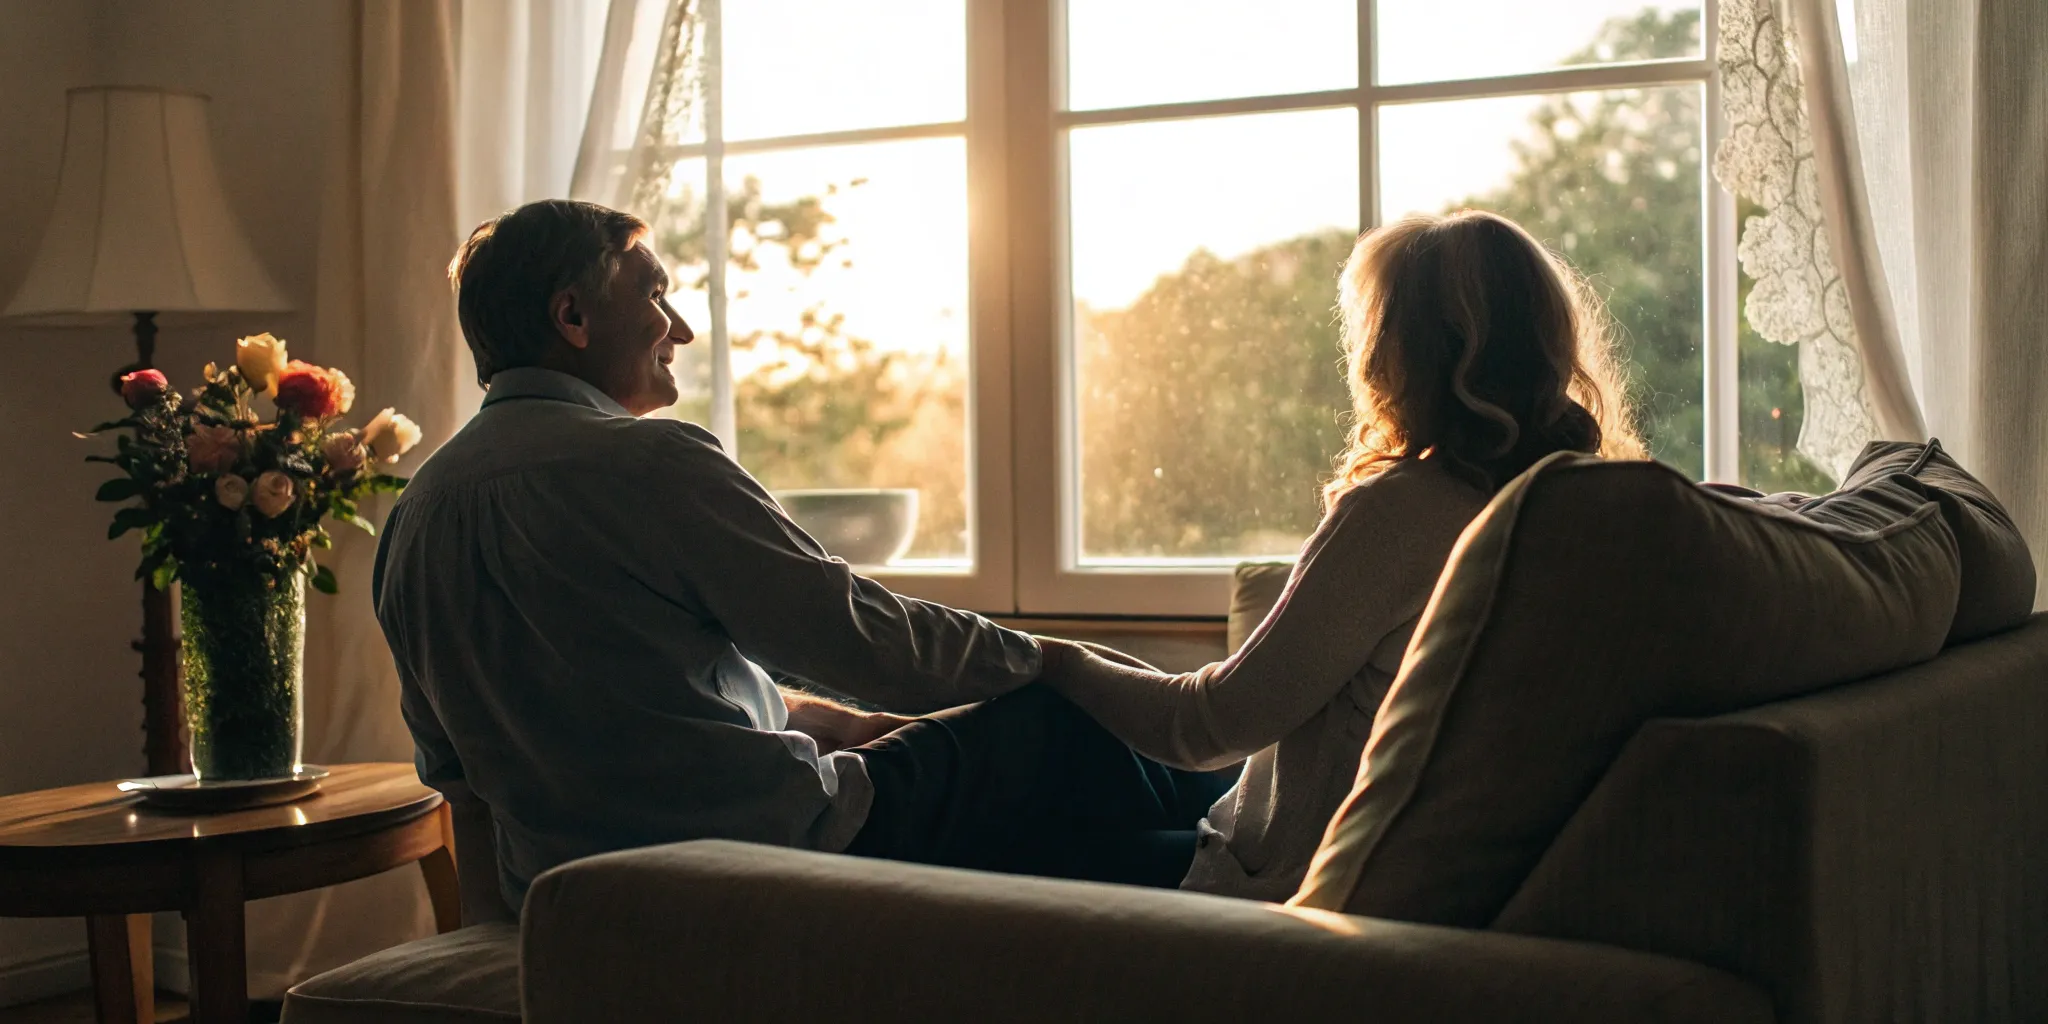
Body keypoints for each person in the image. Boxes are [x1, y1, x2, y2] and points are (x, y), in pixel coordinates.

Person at [374, 199, 1225, 911]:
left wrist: (511, 944)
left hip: (593, 898)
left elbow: (474, 766)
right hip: (777, 854)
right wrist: (1050, 659)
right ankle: (1277, 844)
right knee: (1057, 719)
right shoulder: (649, 463)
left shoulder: (413, 518)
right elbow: (861, 641)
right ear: (572, 317)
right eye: (657, 294)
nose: (684, 327)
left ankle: (1215, 871)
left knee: (1111, 841)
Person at [1036, 210, 1644, 902]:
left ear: (1406, 350)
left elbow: (1213, 726)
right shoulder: (1587, 507)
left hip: (1290, 882)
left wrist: (1054, 658)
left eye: (1375, 329)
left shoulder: (1405, 509)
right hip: (1426, 876)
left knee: (1026, 767)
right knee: (1068, 748)